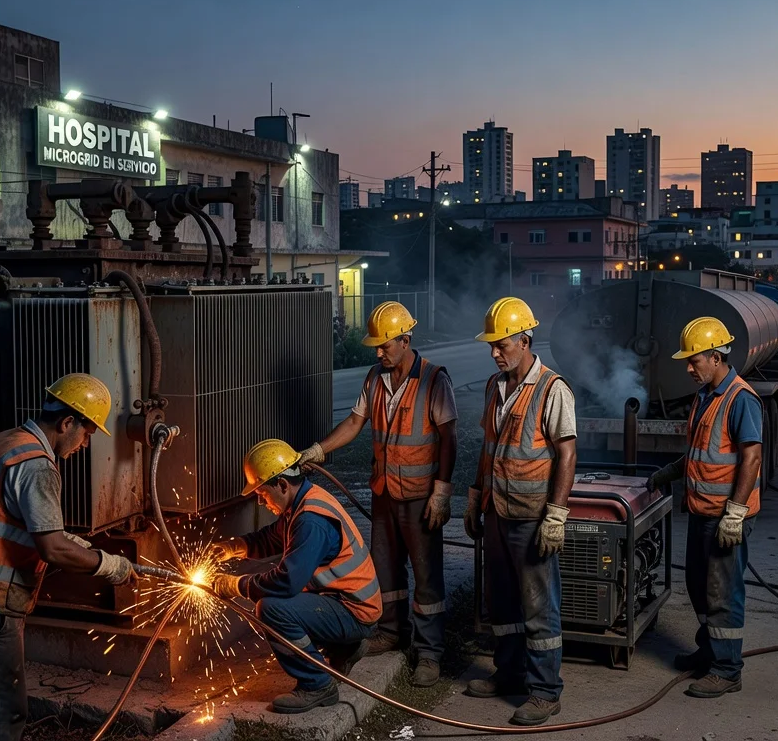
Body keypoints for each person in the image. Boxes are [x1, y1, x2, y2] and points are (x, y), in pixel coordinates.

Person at [0, 373, 137, 741]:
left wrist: (80, 544)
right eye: (87, 432)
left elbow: (16, 521)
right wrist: (111, 566)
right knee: (0, 710)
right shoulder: (37, 466)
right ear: (68, 421)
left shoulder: (9, 441)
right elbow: (52, 548)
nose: (86, 444)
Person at [295, 301, 457, 688]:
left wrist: (442, 492)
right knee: (386, 568)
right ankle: (391, 631)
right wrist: (318, 450)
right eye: (377, 347)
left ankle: (430, 652)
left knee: (427, 576)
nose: (378, 352)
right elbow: (355, 422)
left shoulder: (435, 379)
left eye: (385, 346)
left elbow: (449, 437)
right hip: (384, 493)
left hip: (420, 496)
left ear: (405, 339)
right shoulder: (375, 377)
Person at [462, 297, 577, 726]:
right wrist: (476, 498)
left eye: (502, 344)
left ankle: (546, 692)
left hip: (531, 516)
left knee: (538, 605)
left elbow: (567, 454)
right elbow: (489, 447)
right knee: (503, 601)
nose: (494, 352)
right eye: (491, 345)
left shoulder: (552, 388)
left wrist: (556, 515)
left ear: (525, 340)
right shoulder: (496, 386)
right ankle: (509, 673)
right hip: (498, 511)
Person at [210, 439, 382, 714]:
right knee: (288, 602)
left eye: (262, 493)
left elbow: (286, 582)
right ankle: (345, 648)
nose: (260, 500)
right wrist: (236, 547)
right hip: (348, 601)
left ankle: (317, 685)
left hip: (354, 610)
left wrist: (237, 585)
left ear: (281, 485)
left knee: (272, 608)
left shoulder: (311, 521)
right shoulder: (303, 500)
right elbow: (273, 537)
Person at [646, 317, 763, 699]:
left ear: (715, 357)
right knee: (699, 586)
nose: (689, 367)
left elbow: (751, 457)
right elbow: (699, 455)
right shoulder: (704, 398)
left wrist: (735, 512)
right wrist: (667, 475)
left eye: (694, 360)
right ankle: (710, 652)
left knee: (722, 593)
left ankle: (727, 670)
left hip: (724, 518)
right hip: (701, 512)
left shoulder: (740, 398)